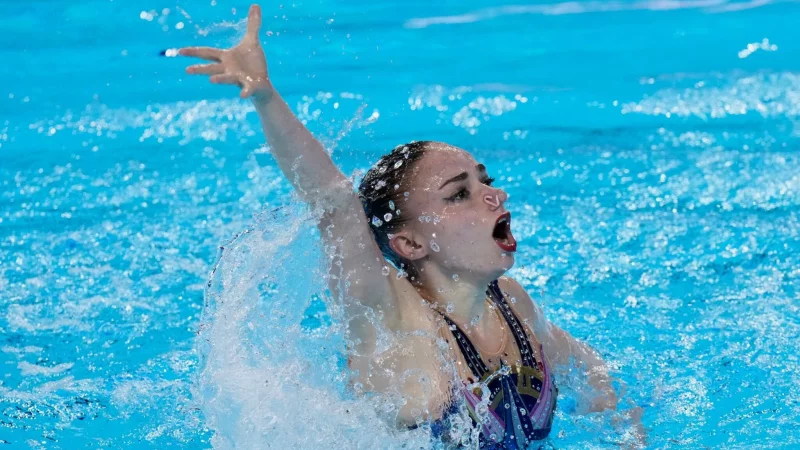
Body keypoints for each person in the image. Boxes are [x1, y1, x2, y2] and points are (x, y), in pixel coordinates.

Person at [178, 5, 644, 448]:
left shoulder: (513, 304)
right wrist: (264, 95)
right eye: (459, 193)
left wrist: (622, 430)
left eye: (487, 181)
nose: (494, 195)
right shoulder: (393, 321)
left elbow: (589, 367)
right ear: (410, 243)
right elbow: (333, 203)